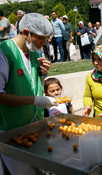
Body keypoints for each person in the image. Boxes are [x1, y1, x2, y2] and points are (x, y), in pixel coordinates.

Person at [0, 13, 56, 174]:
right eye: (40, 38)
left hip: (34, 128)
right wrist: (35, 100)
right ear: (26, 33)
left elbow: (28, 83)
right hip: (12, 133)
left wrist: (43, 74)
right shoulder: (5, 53)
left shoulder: (33, 52)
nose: (44, 43)